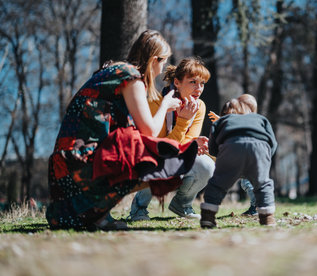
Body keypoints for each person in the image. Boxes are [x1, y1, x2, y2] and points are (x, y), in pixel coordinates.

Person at [46, 29, 196, 230]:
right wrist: (165, 105)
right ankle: (98, 215)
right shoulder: (130, 76)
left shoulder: (110, 72)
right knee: (155, 159)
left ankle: (96, 214)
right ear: (153, 60)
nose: (161, 71)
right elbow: (149, 132)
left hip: (64, 165)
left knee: (129, 146)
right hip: (80, 163)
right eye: (162, 62)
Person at [129, 57, 215, 221]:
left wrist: (194, 144)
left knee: (207, 165)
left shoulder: (199, 106)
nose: (199, 88)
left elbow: (187, 142)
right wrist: (183, 124)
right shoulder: (156, 103)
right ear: (177, 82)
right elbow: (160, 147)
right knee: (157, 160)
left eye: (202, 83)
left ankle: (182, 205)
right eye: (193, 82)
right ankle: (138, 208)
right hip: (153, 156)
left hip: (177, 154)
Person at [200, 94, 278, 228]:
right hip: (259, 148)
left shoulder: (221, 121)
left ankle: (208, 215)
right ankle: (267, 217)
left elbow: (213, 147)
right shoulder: (260, 119)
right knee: (263, 184)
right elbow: (273, 142)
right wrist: (266, 157)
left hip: (232, 146)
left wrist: (221, 156)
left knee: (217, 184)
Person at [207, 94, 258, 216]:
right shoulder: (249, 122)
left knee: (248, 183)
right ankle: (256, 206)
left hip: (249, 159)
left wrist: (220, 121)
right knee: (247, 183)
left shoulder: (250, 123)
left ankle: (257, 207)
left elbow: (235, 126)